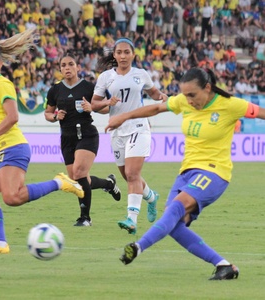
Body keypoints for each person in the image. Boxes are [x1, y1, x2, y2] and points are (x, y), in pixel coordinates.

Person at [105, 67, 265, 280]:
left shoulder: (230, 105)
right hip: (186, 172)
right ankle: (224, 266)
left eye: (192, 95)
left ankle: (138, 246)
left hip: (214, 172)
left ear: (207, 88)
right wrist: (124, 116)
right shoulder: (183, 101)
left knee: (175, 210)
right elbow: (155, 109)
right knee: (174, 225)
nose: (188, 100)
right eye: (185, 95)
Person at [0, 29, 84, 255]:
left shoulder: (2, 84)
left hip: (12, 147)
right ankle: (0, 244)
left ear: (1, 63)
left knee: (13, 197)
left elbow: (13, 117)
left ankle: (60, 183)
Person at [91, 37, 167, 234]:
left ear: (133, 54)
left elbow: (154, 93)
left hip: (139, 127)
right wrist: (108, 102)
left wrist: (162, 97)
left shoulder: (141, 74)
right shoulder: (106, 77)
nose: (123, 56)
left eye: (127, 52)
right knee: (128, 176)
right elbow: (94, 104)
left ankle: (131, 219)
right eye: (119, 52)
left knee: (133, 174)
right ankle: (151, 197)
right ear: (114, 55)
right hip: (117, 131)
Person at [44, 52, 121, 227]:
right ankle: (108, 184)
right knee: (77, 179)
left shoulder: (88, 87)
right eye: (63, 65)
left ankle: (85, 218)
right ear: (60, 69)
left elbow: (104, 108)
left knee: (79, 174)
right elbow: (47, 113)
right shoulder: (55, 90)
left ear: (78, 67)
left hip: (86, 134)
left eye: (71, 64)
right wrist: (56, 116)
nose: (67, 68)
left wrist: (92, 107)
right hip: (67, 138)